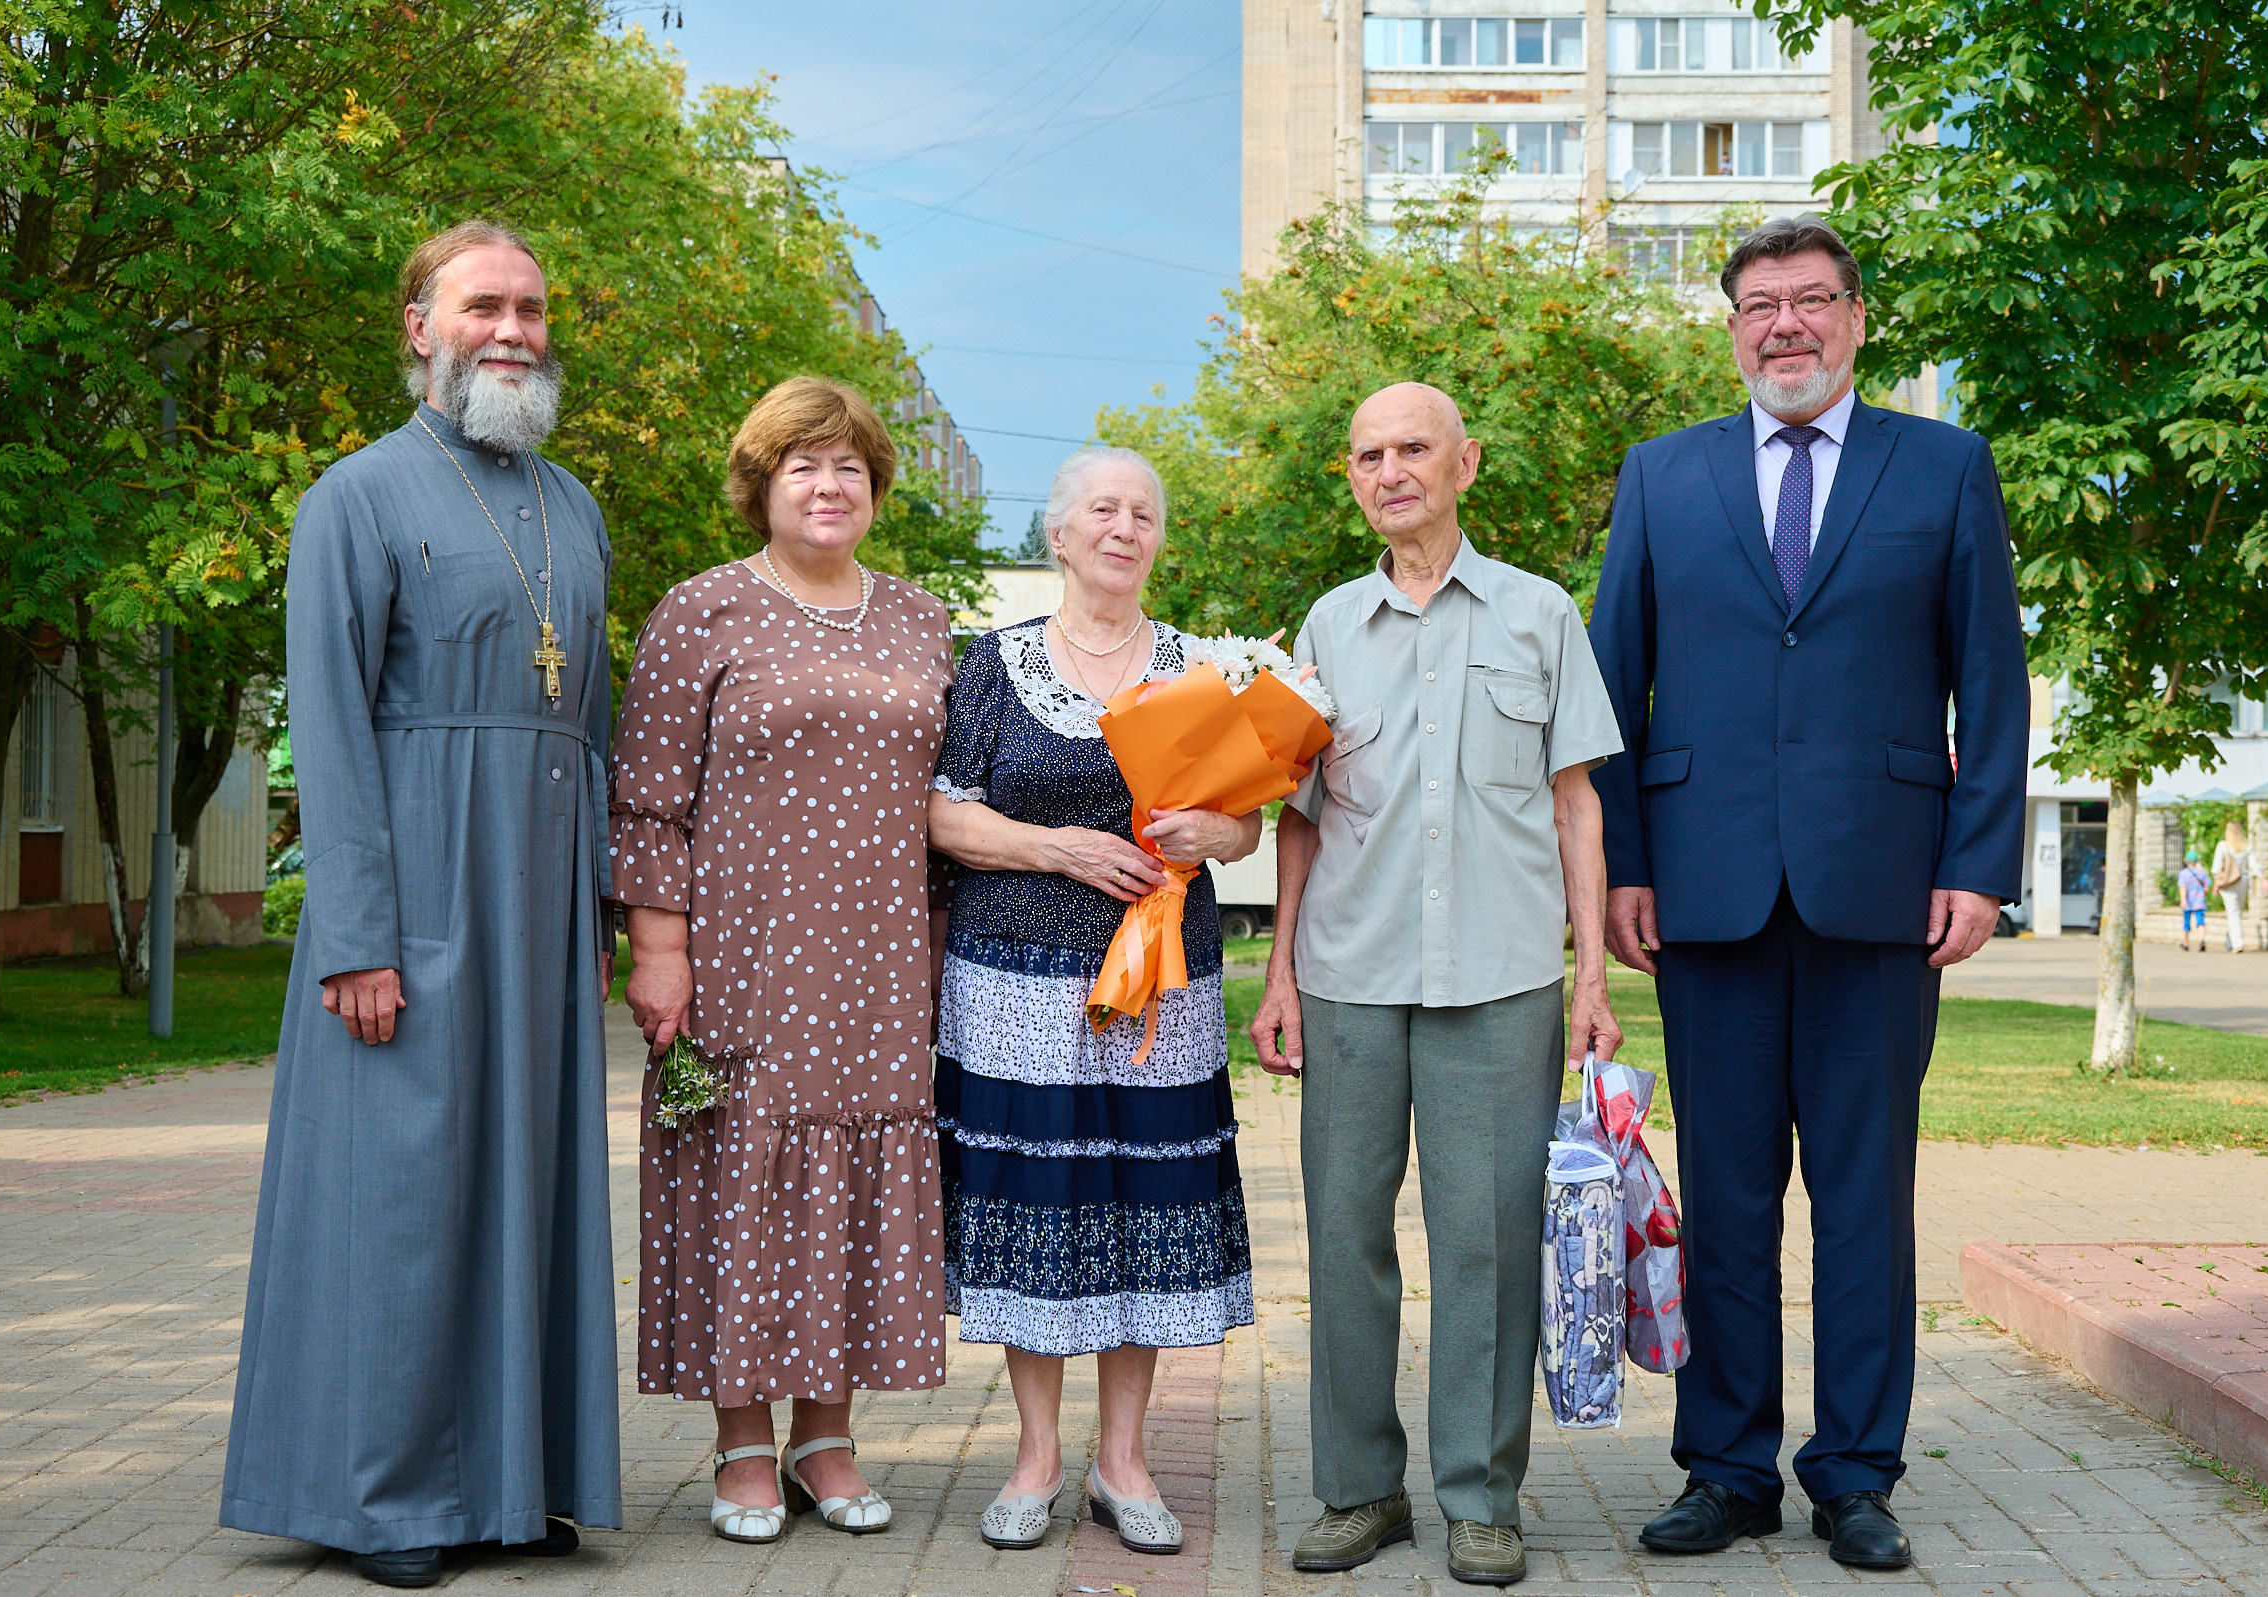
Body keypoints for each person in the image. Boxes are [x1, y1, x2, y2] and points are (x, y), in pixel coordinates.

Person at [1590, 215, 2029, 1572]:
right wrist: (1623, 865)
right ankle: (1727, 1469)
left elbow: (1993, 684)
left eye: (1814, 300)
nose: (1788, 324)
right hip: (1705, 894)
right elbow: (1614, 684)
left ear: (1855, 319)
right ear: (1732, 329)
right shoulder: (1663, 477)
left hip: (1884, 894)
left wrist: (1979, 864)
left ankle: (1854, 1473)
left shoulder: (1946, 467)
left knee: (1862, 1199)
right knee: (1724, 1201)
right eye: (1761, 304)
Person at [221, 221, 620, 1589]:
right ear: (419, 327)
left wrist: (611, 913)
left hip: (544, 892)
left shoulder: (575, 505)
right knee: (406, 1193)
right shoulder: (359, 496)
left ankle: (522, 1481)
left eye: (531, 309)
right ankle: (389, 1503)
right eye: (484, 306)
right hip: (423, 886)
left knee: (529, 1185)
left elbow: (596, 727)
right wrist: (355, 937)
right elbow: (327, 730)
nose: (513, 329)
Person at [1247, 383, 1625, 1588]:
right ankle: (1360, 1491)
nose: (1391, 468)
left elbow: (1577, 804)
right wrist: (1282, 972)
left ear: (1465, 461)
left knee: (1489, 1245)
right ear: (1351, 477)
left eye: (1414, 447)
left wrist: (1591, 979)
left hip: (1503, 977)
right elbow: (1297, 818)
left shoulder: (1540, 612)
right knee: (1347, 1236)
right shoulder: (1325, 626)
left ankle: (1480, 1494)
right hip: (1350, 978)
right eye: (1368, 452)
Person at [610, 376, 952, 1545]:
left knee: (851, 1186)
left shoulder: (920, 619)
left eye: (850, 464)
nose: (829, 483)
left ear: (875, 487)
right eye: (803, 464)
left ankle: (827, 1436)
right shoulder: (700, 611)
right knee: (740, 1183)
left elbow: (950, 799)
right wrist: (659, 948)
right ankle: (743, 1441)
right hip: (742, 954)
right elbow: (648, 802)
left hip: (883, 960)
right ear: (763, 484)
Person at [929, 446, 1258, 1558]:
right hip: (1015, 979)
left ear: (1159, 538)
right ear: (1060, 535)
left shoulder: (1200, 670)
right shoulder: (992, 662)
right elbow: (945, 816)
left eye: (1145, 513)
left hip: (1163, 980)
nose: (1125, 527)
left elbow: (1242, 821)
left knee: (1141, 1203)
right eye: (1102, 511)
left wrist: (1225, 834)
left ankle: (1124, 1462)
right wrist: (1059, 849)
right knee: (1038, 1203)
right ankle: (1034, 1457)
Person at [2213, 821, 2250, 952]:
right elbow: (2254, 864)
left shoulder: (2223, 846)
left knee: (2233, 912)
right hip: (2244, 880)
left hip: (2229, 883)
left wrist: (2216, 883)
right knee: (2236, 912)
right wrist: (2262, 878)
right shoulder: (2246, 846)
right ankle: (2231, 940)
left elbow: (2216, 868)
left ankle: (2237, 943)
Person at [2178, 848, 2213, 951]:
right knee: (2200, 921)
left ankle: (2185, 943)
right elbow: (2207, 887)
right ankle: (2202, 940)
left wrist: (2183, 900)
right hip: (2199, 901)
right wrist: (2201, 893)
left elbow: (2183, 888)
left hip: (2188, 902)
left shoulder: (2184, 873)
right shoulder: (2201, 872)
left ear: (2186, 861)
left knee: (2186, 922)